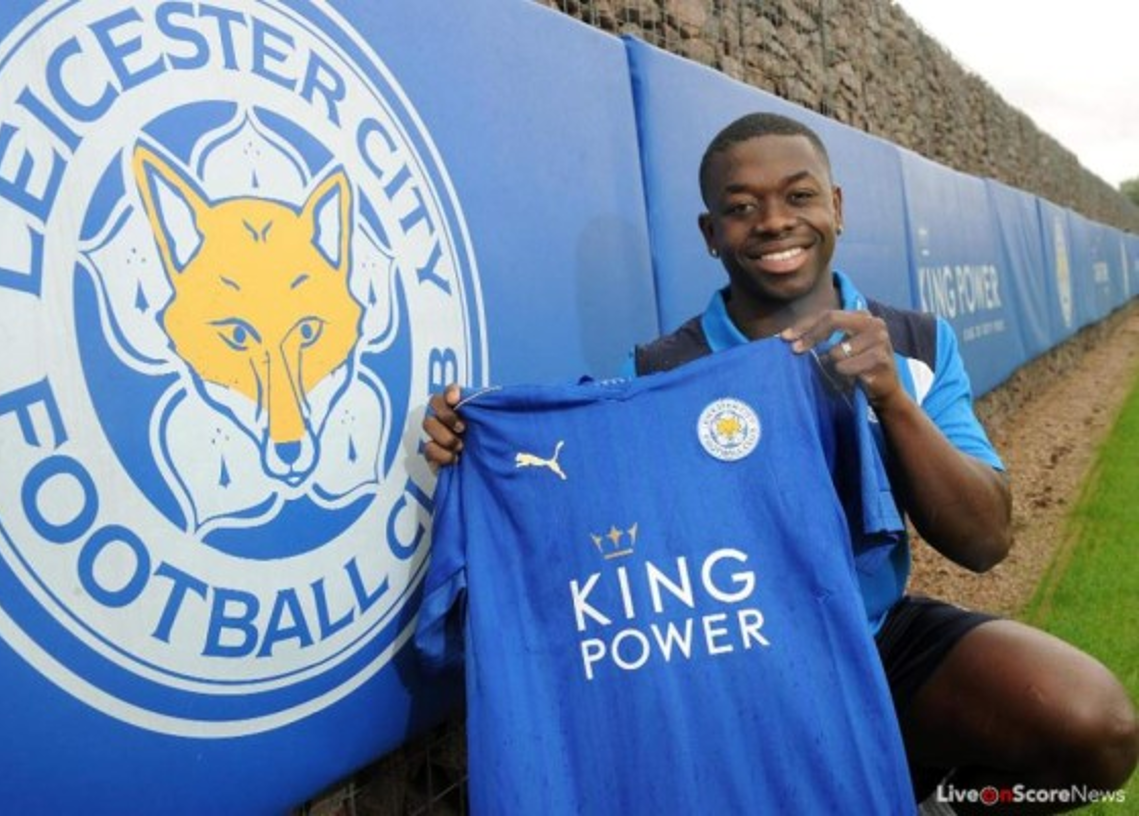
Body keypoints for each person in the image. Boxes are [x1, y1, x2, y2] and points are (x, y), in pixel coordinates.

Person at [422, 112, 1137, 812]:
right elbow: (575, 497)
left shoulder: (914, 343)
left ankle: (932, 805)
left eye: (799, 195)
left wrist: (892, 400)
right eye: (740, 207)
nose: (773, 222)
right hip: (734, 666)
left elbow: (984, 542)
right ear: (710, 234)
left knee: (1097, 731)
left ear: (837, 207)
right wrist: (473, 444)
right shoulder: (658, 373)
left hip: (873, 635)